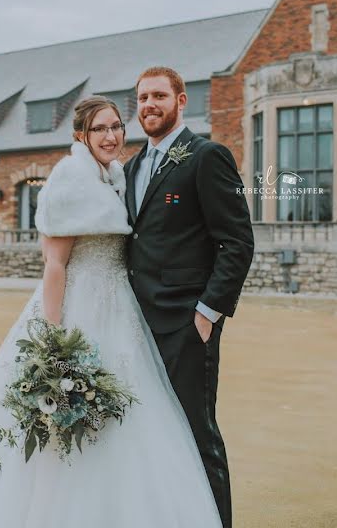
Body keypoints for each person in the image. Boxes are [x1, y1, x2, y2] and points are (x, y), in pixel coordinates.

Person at [0, 96, 223, 527]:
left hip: (120, 310)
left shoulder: (115, 177)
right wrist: (53, 341)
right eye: (100, 129)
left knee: (129, 414)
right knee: (67, 414)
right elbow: (54, 266)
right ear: (80, 135)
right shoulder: (69, 177)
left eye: (115, 127)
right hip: (76, 311)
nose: (111, 136)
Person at [124, 66, 255, 528]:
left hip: (185, 326)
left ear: (182, 101)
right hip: (134, 327)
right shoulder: (131, 167)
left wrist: (207, 313)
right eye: (142, 98)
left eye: (159, 96)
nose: (148, 105)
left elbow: (237, 241)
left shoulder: (206, 156)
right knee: (146, 435)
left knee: (198, 436)